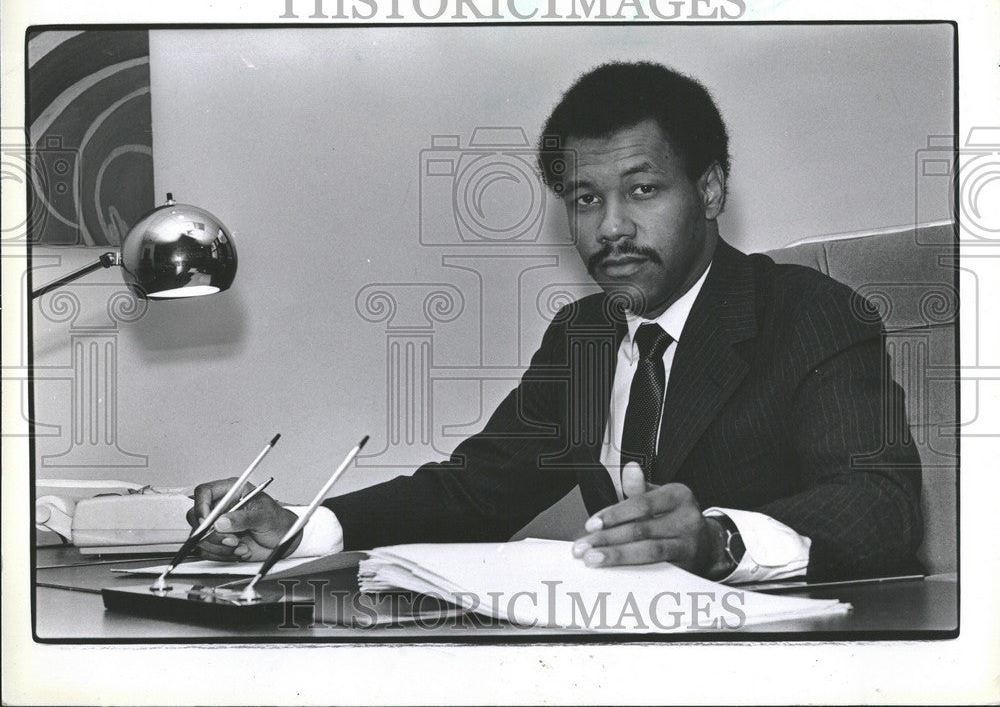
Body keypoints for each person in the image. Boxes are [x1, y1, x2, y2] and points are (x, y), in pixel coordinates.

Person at [189, 61, 923, 582]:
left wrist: (719, 541)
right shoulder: (585, 335)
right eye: (584, 198)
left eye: (642, 189)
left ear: (708, 189)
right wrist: (301, 522)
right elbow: (476, 490)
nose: (611, 227)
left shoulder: (811, 313)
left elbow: (880, 505)